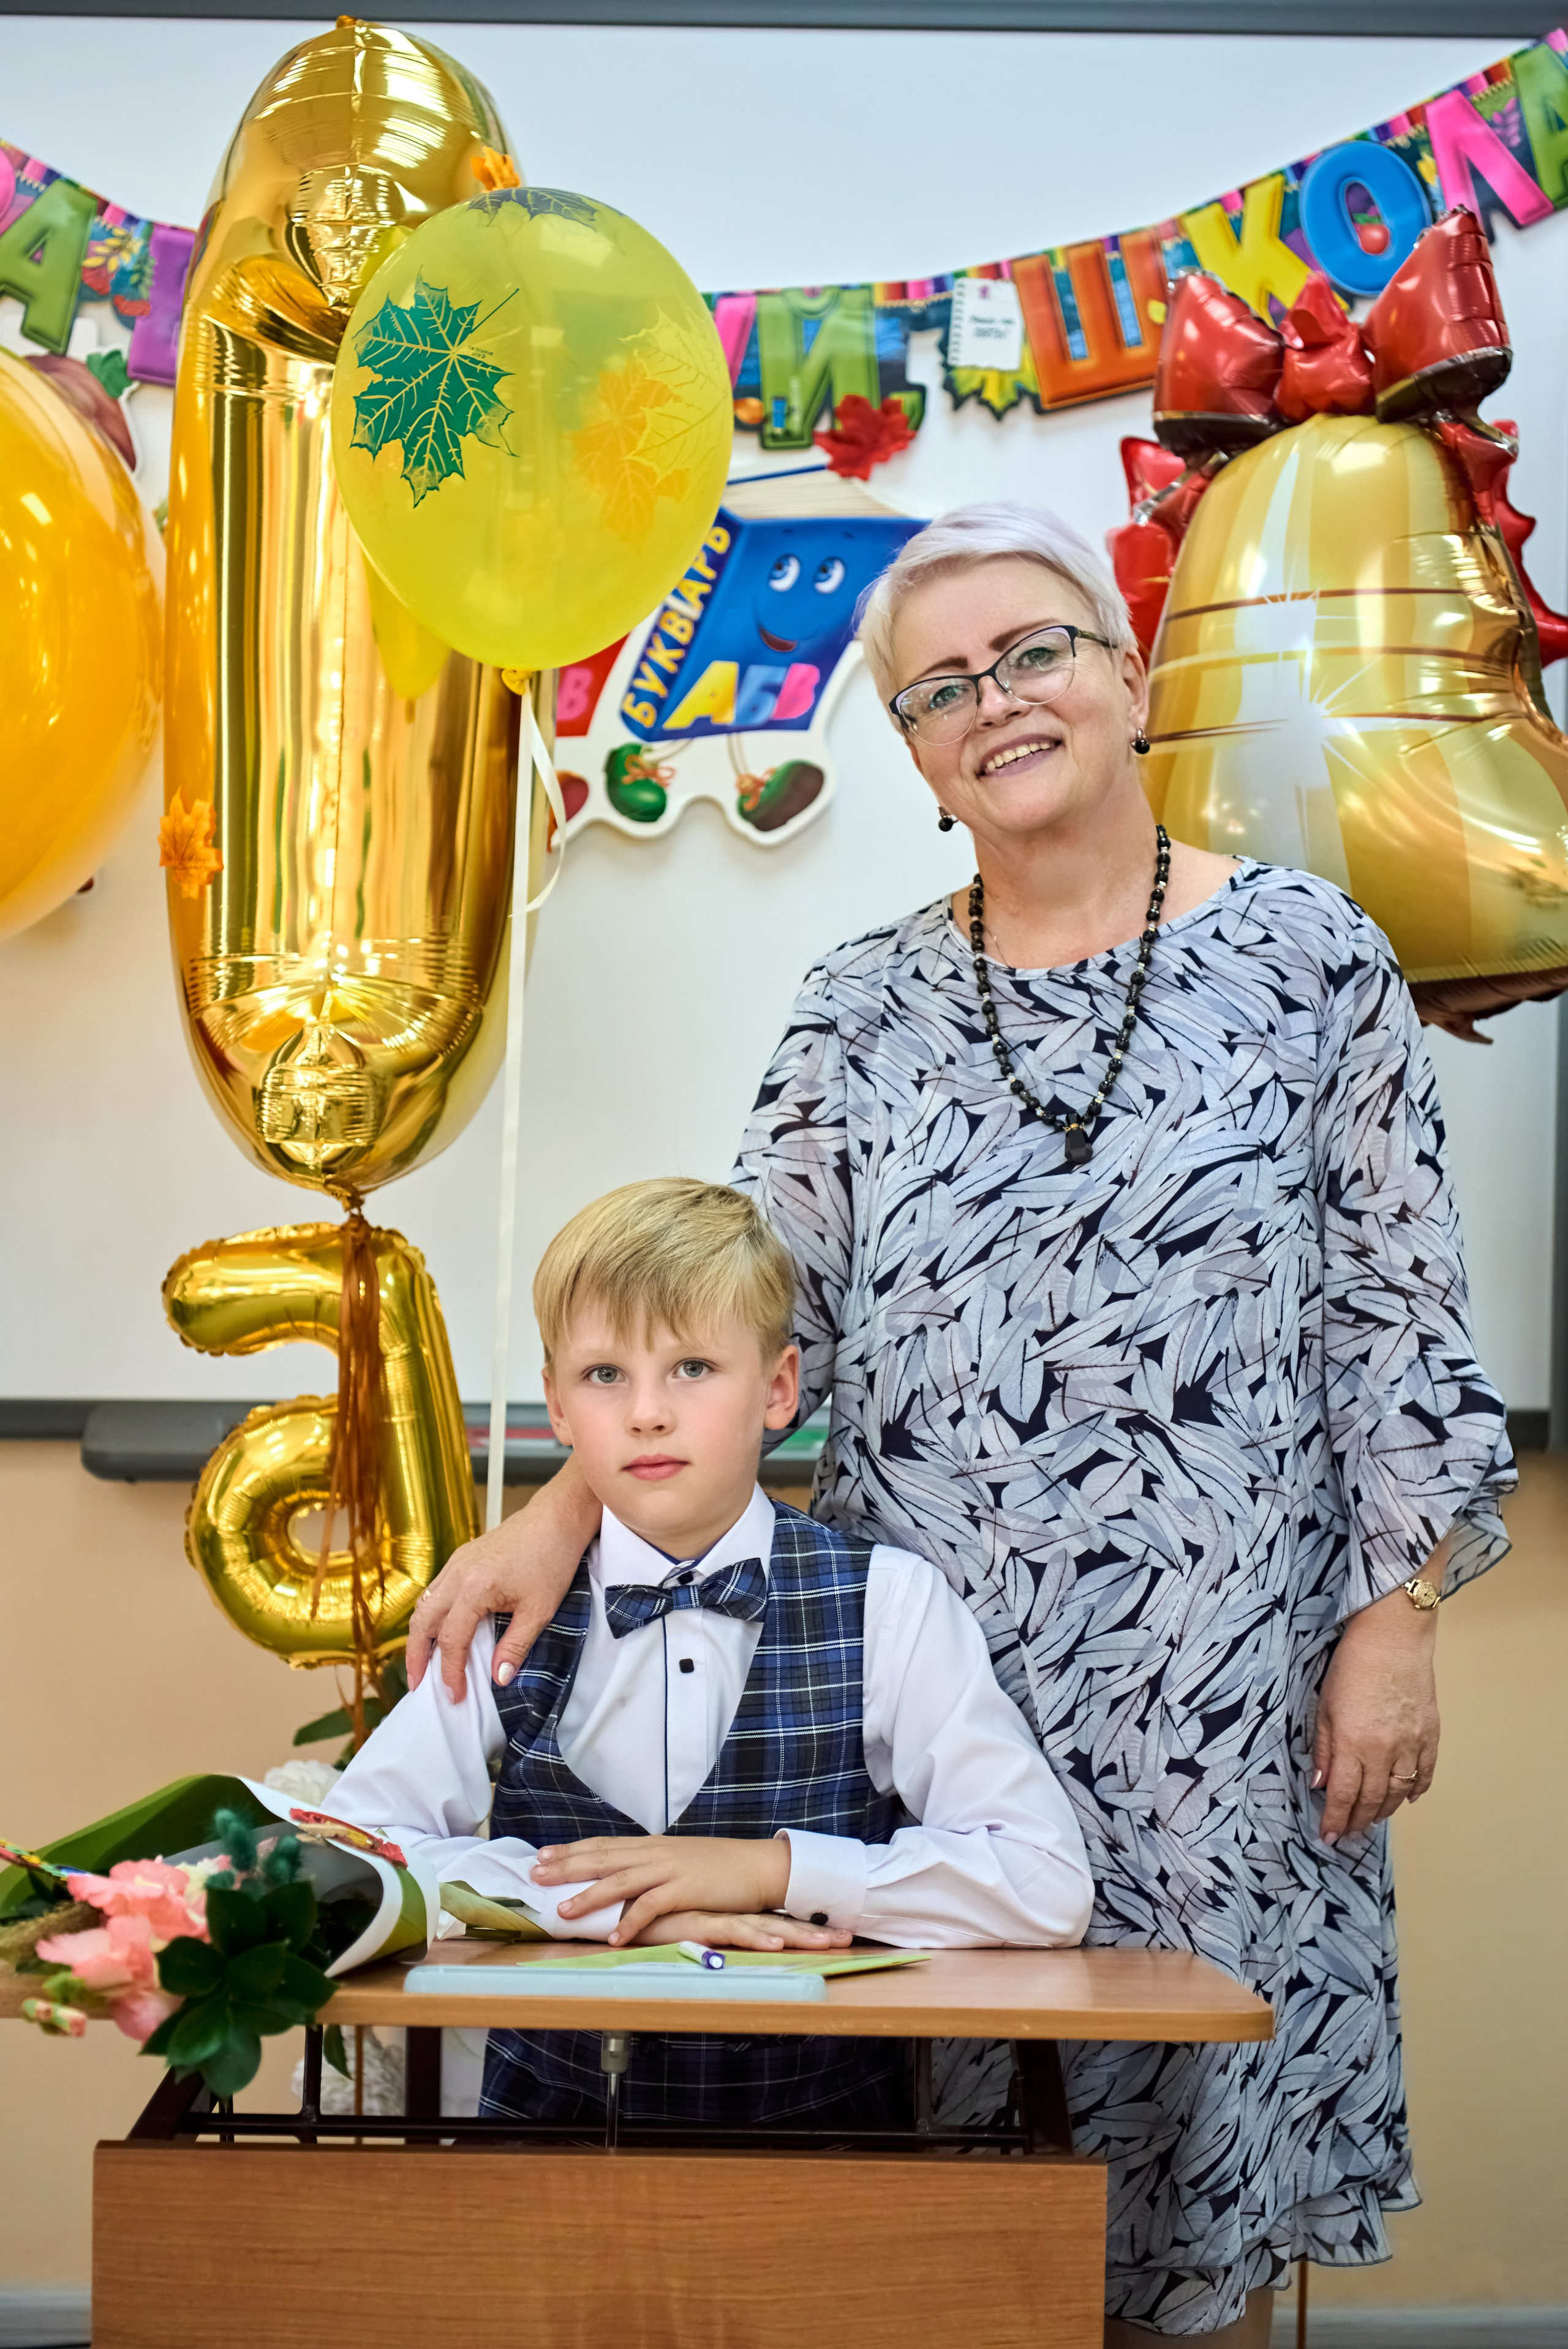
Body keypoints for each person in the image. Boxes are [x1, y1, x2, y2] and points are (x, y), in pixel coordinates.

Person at [408, 505, 1512, 2339]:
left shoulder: (1315, 959)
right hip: (918, 1689)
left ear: (1127, 671)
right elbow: (748, 1327)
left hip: (1226, 1701)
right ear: (915, 755)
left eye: (1035, 651)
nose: (995, 701)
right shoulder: (859, 1007)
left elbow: (1405, 1321)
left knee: (1196, 2166)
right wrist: (551, 1514)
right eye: (939, 687)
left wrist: (1394, 1629)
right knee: (928, 2196)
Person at [331, 1175, 1093, 2131]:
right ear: (559, 1411)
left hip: (833, 2164)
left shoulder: (889, 1605)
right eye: (605, 1375)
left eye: (692, 1367)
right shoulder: (510, 1619)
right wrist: (586, 1903)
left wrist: (773, 1872)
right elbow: (354, 1853)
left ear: (779, 1388)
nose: (647, 1412)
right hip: (539, 2161)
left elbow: (1043, 1883)